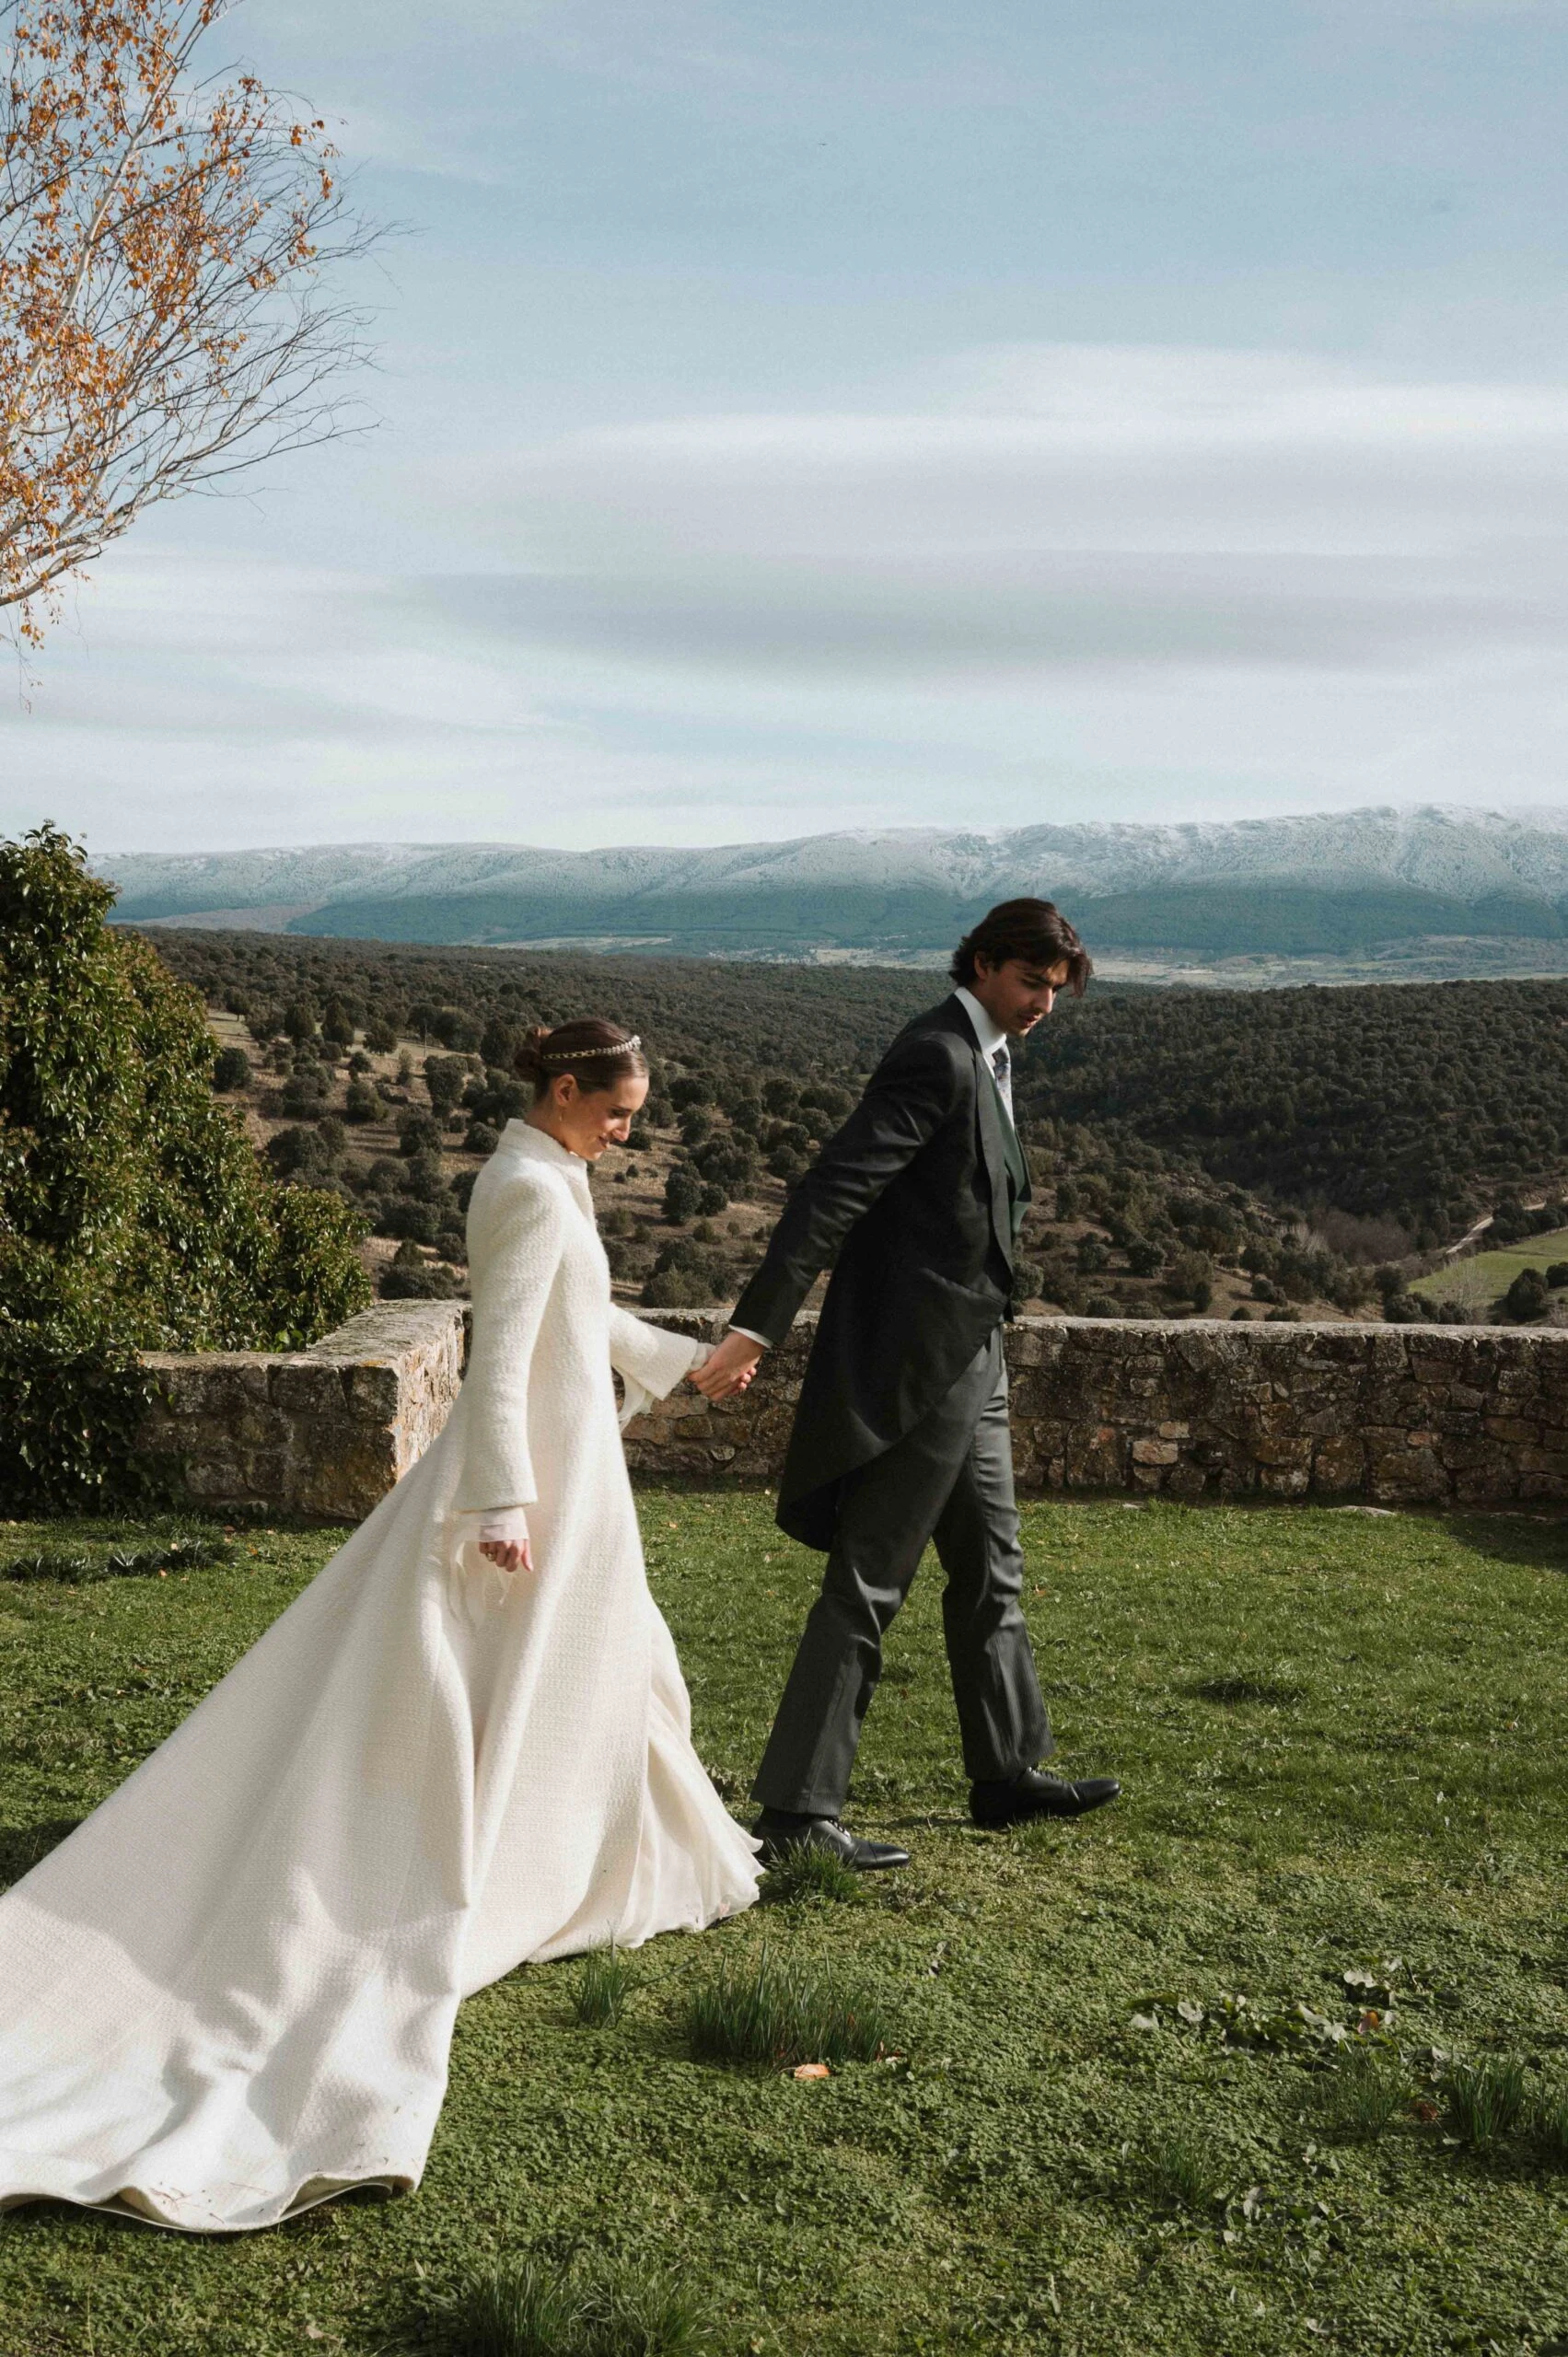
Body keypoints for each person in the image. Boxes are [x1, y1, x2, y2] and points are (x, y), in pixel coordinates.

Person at [0, 1019, 759, 2233]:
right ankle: (526, 1859)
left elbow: (579, 1318)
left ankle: (597, 1842)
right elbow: (501, 1354)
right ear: (565, 1090)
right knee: (520, 1666)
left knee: (602, 1659)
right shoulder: (525, 1185)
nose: (628, 1134)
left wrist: (686, 1358)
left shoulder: (546, 1170)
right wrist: (499, 1500)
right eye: (617, 1112)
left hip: (569, 1465)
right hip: (537, 1476)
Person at [693, 900, 1121, 1869]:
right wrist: (758, 1325)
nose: (1042, 1005)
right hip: (918, 1364)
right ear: (980, 963)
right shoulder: (936, 1054)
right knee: (868, 1580)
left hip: (975, 1353)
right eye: (1029, 983)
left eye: (1055, 991)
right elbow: (833, 1190)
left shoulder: (991, 1054)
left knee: (992, 1567)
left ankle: (1007, 1774)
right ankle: (797, 1815)